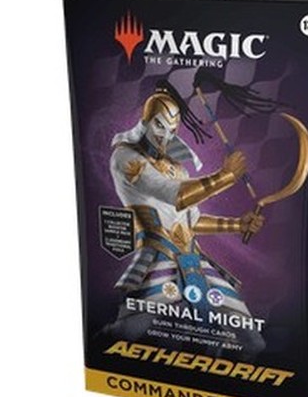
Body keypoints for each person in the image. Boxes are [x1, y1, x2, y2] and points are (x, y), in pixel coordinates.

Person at [104, 82, 266, 357]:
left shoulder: (176, 168)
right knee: (125, 334)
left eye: (172, 129)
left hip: (193, 260)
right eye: (159, 125)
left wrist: (238, 224)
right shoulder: (125, 157)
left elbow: (192, 221)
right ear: (145, 120)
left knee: (252, 340)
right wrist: (225, 177)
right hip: (159, 256)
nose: (165, 135)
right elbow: (175, 196)